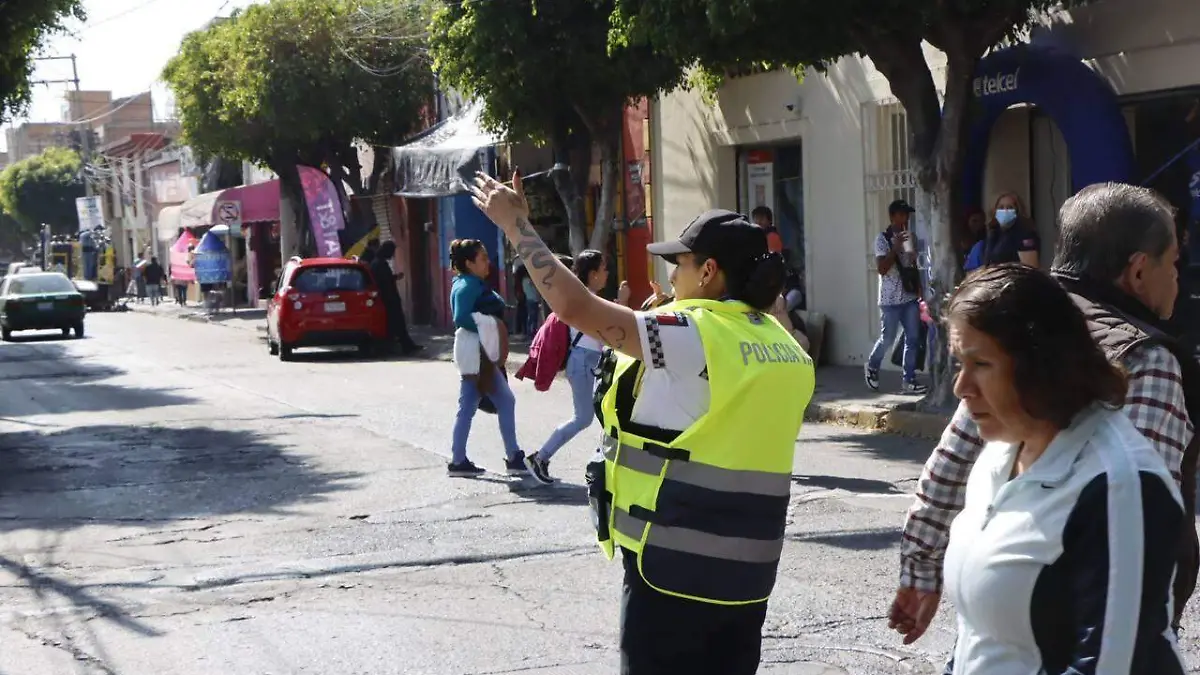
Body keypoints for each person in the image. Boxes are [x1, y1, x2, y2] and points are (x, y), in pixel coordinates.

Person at [469, 170, 815, 675]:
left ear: (709, 271)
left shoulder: (694, 332)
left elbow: (574, 307)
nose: (673, 277)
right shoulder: (785, 346)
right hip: (748, 579)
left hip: (673, 574)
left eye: (681, 264)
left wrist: (516, 224)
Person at [890, 182, 1200, 646]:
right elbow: (1136, 520)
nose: (1178, 277)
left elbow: (952, 458)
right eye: (1173, 262)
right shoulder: (1146, 360)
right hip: (1098, 628)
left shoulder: (1019, 328)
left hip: (1003, 611)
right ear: (1138, 271)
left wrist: (921, 568)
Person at [938, 263, 1184, 674]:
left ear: (1039, 364)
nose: (961, 387)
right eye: (958, 363)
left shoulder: (1119, 485)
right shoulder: (1000, 457)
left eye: (980, 365)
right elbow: (980, 637)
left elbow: (1107, 665)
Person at [523, 250, 630, 485]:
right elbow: (607, 331)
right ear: (592, 275)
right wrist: (621, 304)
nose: (607, 274)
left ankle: (612, 467)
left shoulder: (586, 297)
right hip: (583, 363)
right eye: (604, 269)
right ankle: (540, 458)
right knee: (583, 418)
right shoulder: (586, 300)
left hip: (589, 362)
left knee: (607, 414)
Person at [446, 238, 527, 478]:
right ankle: (513, 457)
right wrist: (490, 325)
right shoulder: (468, 285)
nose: (487, 262)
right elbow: (461, 317)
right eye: (482, 258)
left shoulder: (465, 282)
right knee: (504, 401)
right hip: (478, 354)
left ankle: (459, 460)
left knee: (469, 406)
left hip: (475, 352)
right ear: (470, 263)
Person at [865, 199, 927, 395]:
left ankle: (908, 380)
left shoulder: (911, 237)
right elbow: (882, 268)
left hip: (908, 297)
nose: (905, 219)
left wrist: (919, 288)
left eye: (907, 215)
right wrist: (896, 247)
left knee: (913, 338)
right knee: (888, 338)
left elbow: (911, 266)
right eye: (901, 214)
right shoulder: (881, 239)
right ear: (892, 217)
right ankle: (872, 366)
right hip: (890, 299)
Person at [369, 241, 422, 355]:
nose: (392, 255)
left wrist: (395, 277)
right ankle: (403, 346)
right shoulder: (379, 263)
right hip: (388, 299)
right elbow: (383, 281)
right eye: (391, 252)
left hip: (389, 297)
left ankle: (405, 345)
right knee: (397, 322)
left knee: (397, 323)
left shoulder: (378, 263)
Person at [971, 192, 1040, 269]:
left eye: (1010, 207)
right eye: (1001, 207)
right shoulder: (994, 234)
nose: (1005, 211)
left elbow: (1030, 269)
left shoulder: (1024, 234)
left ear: (1017, 211)